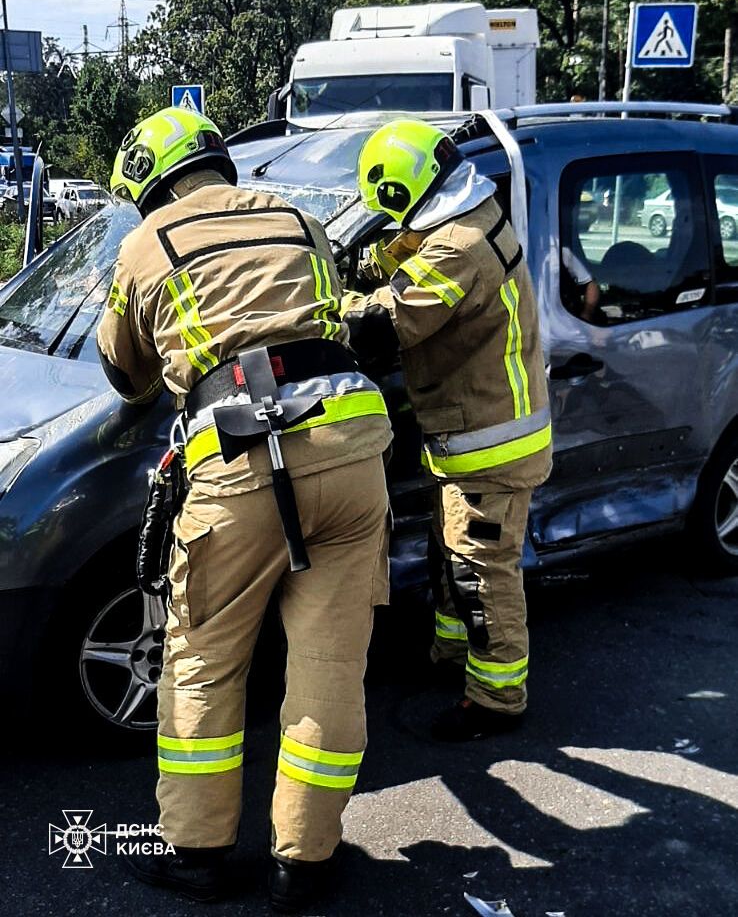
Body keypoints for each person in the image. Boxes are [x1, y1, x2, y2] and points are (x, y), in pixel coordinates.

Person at [97, 106, 393, 909]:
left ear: (148, 185)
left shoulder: (146, 244)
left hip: (239, 458)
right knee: (331, 668)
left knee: (203, 662)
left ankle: (197, 854)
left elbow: (126, 375)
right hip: (353, 445)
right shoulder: (302, 216)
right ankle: (306, 863)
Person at [343, 119, 552, 742]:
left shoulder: (458, 245)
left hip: (490, 440)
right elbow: (409, 251)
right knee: (451, 553)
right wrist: (365, 252)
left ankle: (496, 696)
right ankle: (452, 655)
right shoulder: (475, 212)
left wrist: (337, 302)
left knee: (480, 570)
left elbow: (383, 326)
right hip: (475, 433)